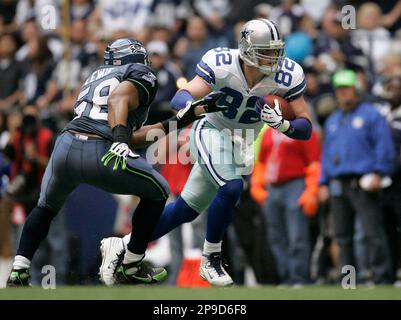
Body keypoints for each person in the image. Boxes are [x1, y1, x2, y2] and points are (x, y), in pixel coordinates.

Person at [100, 18, 313, 287]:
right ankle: (211, 257)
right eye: (266, 51)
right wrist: (190, 107)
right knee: (232, 187)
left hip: (241, 143)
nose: (274, 57)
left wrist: (283, 125)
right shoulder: (223, 63)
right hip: (211, 130)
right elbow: (183, 95)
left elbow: (306, 127)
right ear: (247, 49)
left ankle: (122, 245)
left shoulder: (288, 74)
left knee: (185, 210)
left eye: (276, 50)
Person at [6, 38, 225, 287]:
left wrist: (183, 119)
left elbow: (130, 134)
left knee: (45, 208)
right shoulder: (139, 73)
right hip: (98, 149)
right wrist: (119, 139)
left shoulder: (96, 75)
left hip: (65, 147)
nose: (147, 62)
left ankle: (19, 270)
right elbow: (117, 104)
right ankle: (131, 263)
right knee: (159, 189)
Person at [318, 69, 395, 284]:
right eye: (339, 90)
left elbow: (384, 147)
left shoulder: (371, 115)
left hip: (363, 181)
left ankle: (381, 279)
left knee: (372, 233)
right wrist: (322, 182)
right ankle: (349, 281)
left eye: (347, 89)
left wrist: (380, 173)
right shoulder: (333, 120)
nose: (342, 94)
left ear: (357, 90)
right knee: (343, 237)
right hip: (337, 183)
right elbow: (326, 153)